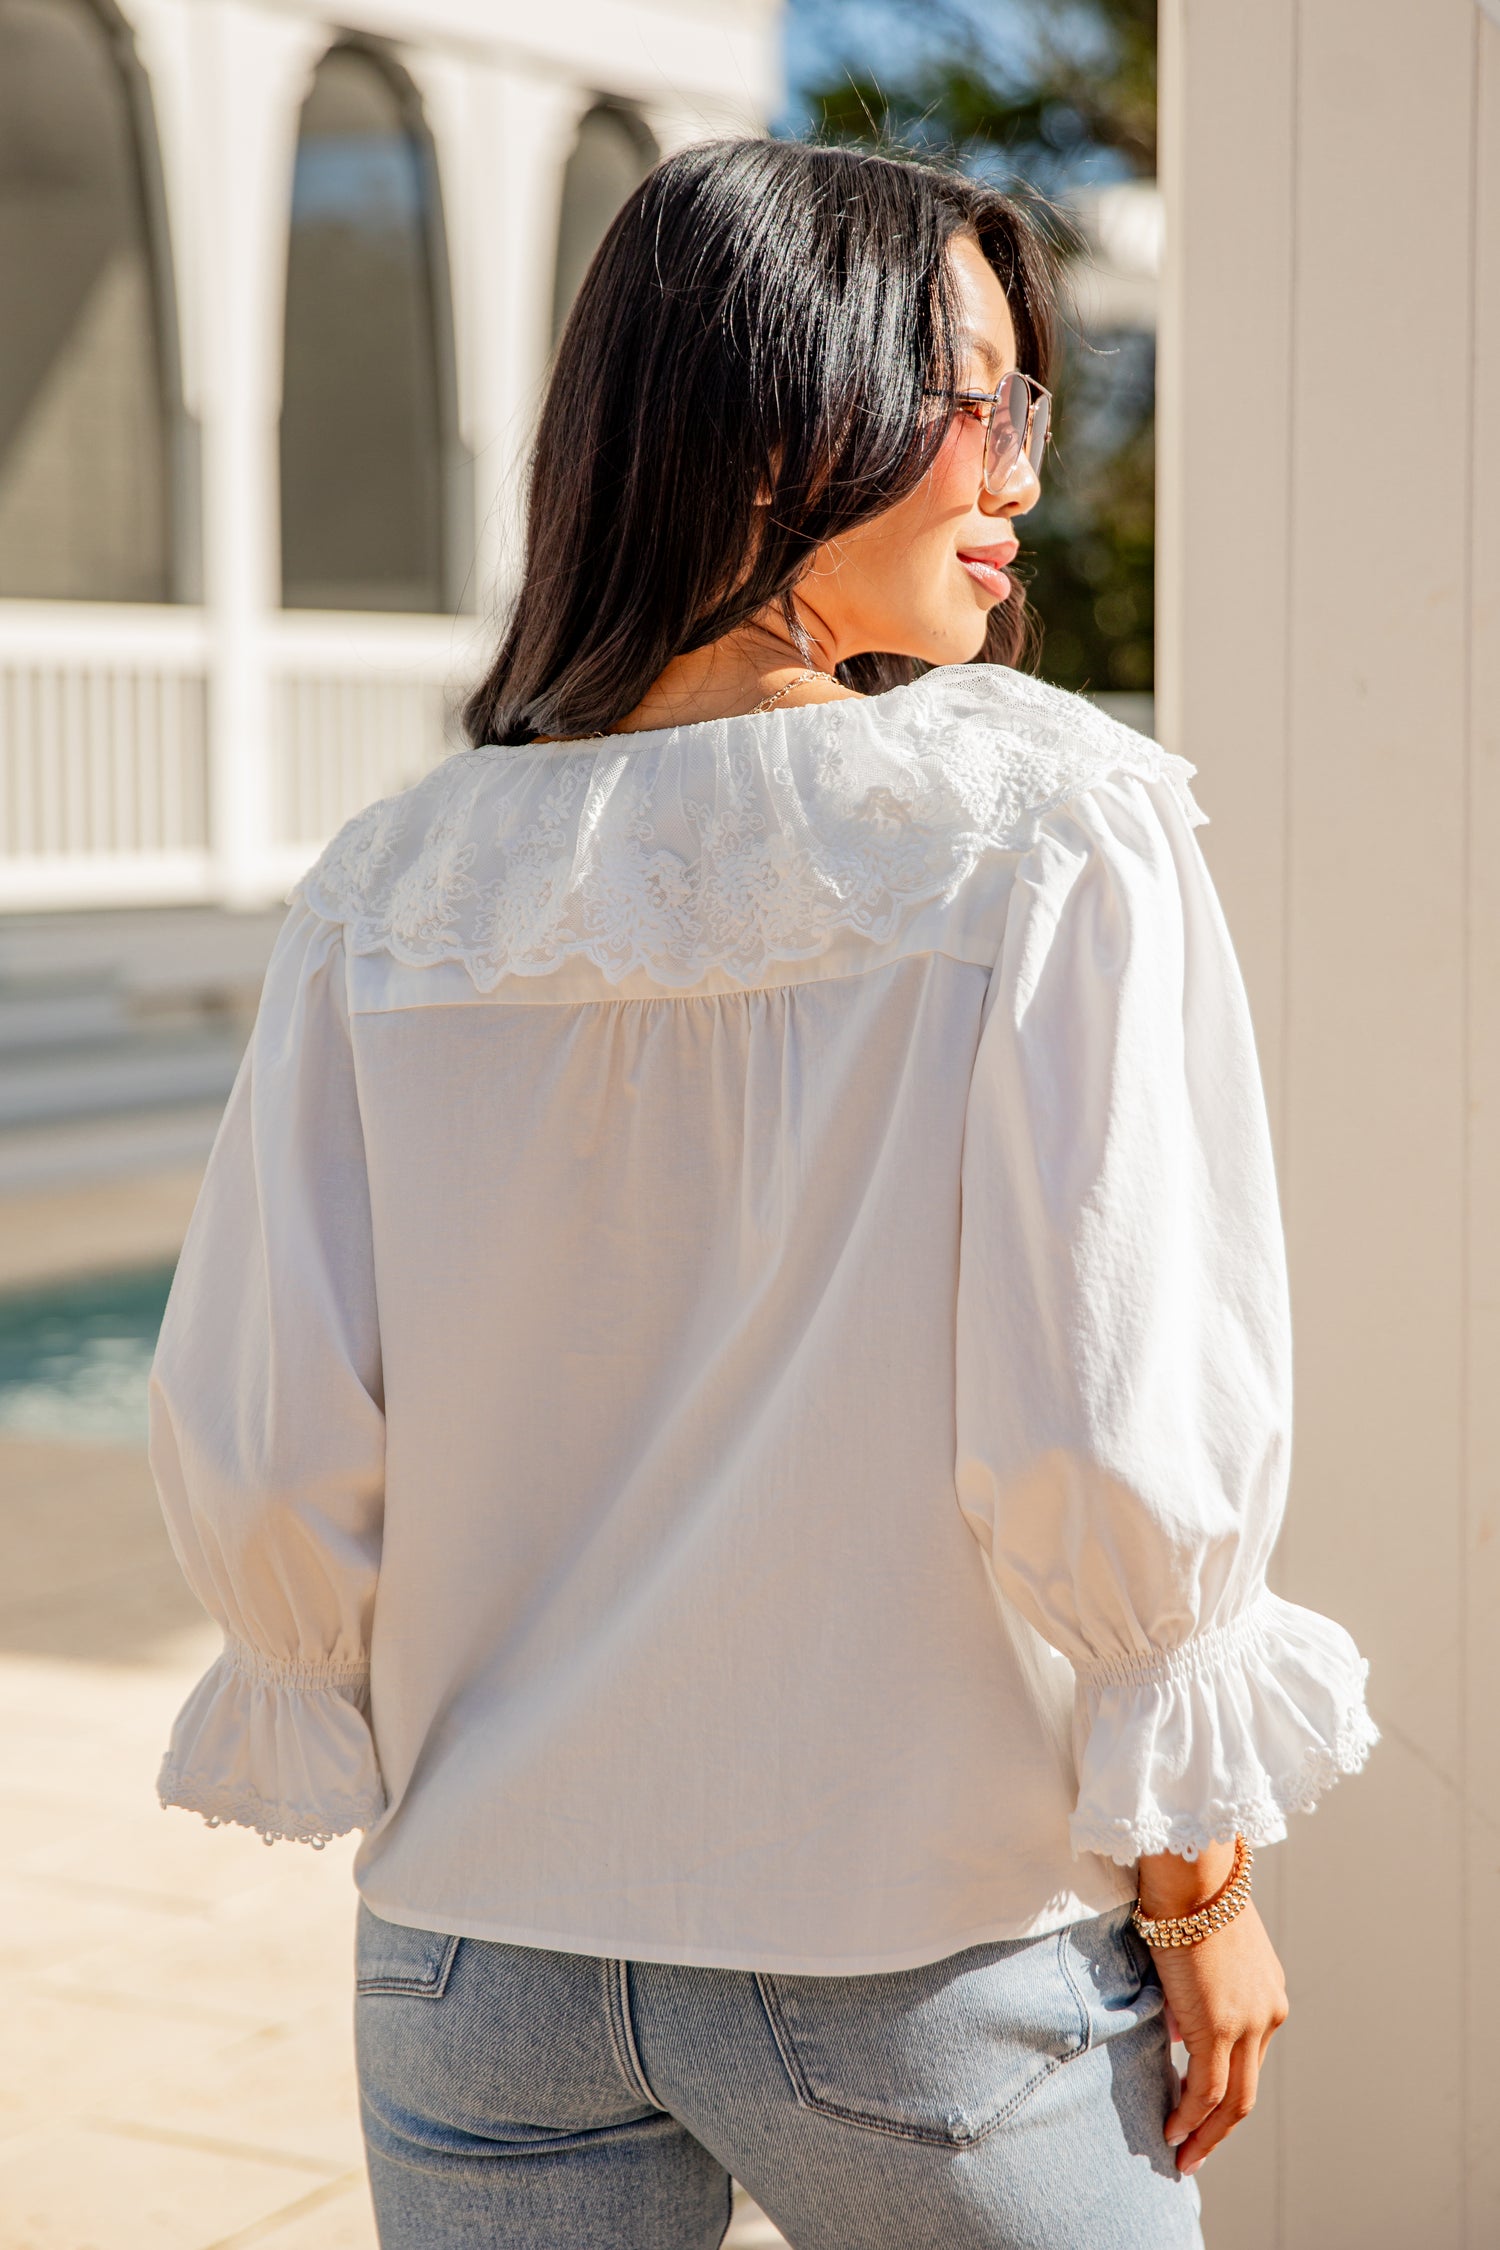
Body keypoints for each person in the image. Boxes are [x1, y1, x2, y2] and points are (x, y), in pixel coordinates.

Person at [148, 138, 1376, 2250]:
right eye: (968, 401)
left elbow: (270, 1457)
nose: (1018, 471)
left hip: (473, 1956)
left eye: (1029, 404)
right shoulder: (1046, 826)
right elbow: (1103, 1426)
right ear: (778, 416)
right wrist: (1205, 1892)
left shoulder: (391, 891)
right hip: (920, 1952)